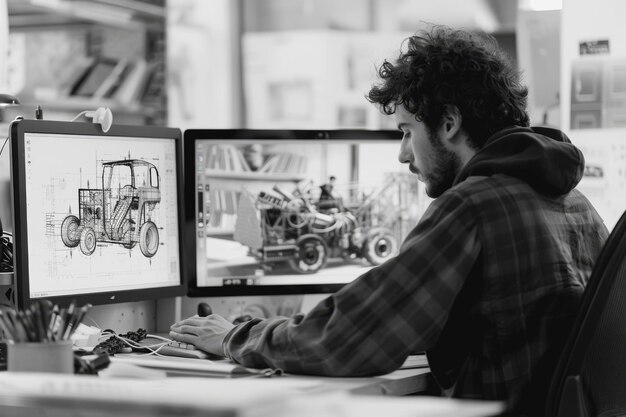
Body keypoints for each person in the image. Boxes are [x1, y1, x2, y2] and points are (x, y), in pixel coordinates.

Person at [170, 26, 609, 415]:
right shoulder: (576, 203)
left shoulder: (474, 205)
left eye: (406, 132)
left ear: (450, 123)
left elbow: (350, 336)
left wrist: (236, 337)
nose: (402, 155)